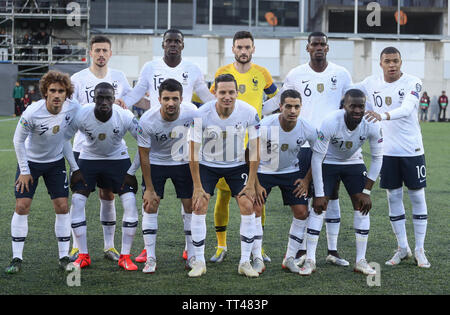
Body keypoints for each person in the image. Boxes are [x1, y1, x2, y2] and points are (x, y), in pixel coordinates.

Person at [119, 28, 215, 263]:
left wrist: (222, 107)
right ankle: (147, 249)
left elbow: (203, 94)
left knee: (188, 199)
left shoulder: (192, 69)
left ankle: (188, 247)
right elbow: (139, 91)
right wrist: (123, 103)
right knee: (151, 196)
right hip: (157, 129)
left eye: (177, 41)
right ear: (163, 44)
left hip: (184, 136)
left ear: (182, 45)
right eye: (169, 41)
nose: (173, 44)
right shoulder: (150, 67)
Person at [263, 31, 353, 267]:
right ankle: (301, 250)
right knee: (303, 197)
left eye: (323, 44)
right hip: (303, 144)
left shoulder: (341, 74)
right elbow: (280, 101)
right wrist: (256, 110)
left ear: (328, 47)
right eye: (315, 44)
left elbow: (351, 104)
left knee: (331, 197)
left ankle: (332, 251)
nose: (319, 47)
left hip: (331, 147)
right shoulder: (296, 74)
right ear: (308, 48)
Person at [208, 30, 279, 264]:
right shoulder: (222, 73)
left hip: (255, 145)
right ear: (233, 49)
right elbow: (212, 102)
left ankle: (259, 246)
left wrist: (261, 115)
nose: (243, 51)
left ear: (253, 49)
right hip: (226, 145)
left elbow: (275, 99)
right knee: (224, 195)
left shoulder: (263, 74)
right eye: (239, 47)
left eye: (247, 47)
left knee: (258, 194)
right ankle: (221, 245)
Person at [299, 89, 383, 276]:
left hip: (353, 162)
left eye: (361, 106)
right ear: (344, 106)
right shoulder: (330, 121)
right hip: (328, 161)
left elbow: (378, 158)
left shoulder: (372, 124)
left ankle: (360, 260)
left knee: (362, 205)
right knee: (319, 207)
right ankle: (311, 259)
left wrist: (367, 192)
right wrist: (319, 194)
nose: (357, 110)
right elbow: (317, 157)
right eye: (352, 105)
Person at [360, 46, 431, 268]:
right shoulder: (370, 83)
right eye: (388, 61)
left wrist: (382, 115)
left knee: (417, 197)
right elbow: (348, 92)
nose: (392, 65)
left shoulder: (413, 81)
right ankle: (403, 248)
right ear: (380, 63)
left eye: (396, 61)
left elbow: (408, 109)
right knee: (393, 198)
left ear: (402, 62)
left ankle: (420, 249)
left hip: (412, 150)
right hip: (387, 152)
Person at [5, 70, 81, 274]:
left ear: (67, 94)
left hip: (55, 163)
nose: (57, 95)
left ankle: (64, 257)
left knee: (62, 206)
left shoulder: (73, 109)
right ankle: (16, 258)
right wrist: (24, 170)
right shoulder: (32, 112)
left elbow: (65, 138)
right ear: (45, 93)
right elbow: (18, 141)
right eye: (53, 91)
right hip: (30, 163)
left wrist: (75, 168)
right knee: (22, 206)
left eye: (61, 91)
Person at [188, 74, 261, 278]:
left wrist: (252, 183)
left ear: (237, 93)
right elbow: (192, 151)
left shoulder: (249, 112)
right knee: (199, 203)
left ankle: (245, 262)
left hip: (237, 165)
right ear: (214, 93)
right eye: (222, 92)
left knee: (247, 204)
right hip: (207, 164)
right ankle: (199, 262)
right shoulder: (201, 113)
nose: (227, 96)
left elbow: (255, 148)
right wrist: (196, 186)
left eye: (231, 92)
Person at [69, 35, 132, 263]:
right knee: (79, 195)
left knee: (108, 195)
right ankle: (77, 248)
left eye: (105, 50)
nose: (101, 54)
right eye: (97, 51)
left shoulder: (120, 77)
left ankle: (109, 246)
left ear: (111, 53)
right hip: (82, 146)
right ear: (90, 53)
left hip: (110, 148)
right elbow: (72, 109)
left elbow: (126, 104)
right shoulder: (77, 79)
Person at [65, 82, 140, 271]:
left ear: (114, 100)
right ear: (93, 98)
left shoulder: (124, 115)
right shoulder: (82, 113)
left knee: (129, 201)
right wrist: (75, 169)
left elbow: (144, 141)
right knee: (78, 201)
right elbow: (64, 138)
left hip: (117, 158)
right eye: (100, 97)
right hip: (89, 158)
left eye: (108, 98)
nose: (104, 101)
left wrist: (131, 172)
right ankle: (83, 255)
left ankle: (125, 256)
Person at [133, 79, 198, 273]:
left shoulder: (192, 112)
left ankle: (192, 255)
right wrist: (149, 189)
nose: (171, 103)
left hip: (182, 161)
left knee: (190, 206)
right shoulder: (146, 120)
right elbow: (143, 155)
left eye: (175, 98)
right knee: (150, 205)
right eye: (166, 98)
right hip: (156, 163)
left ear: (181, 99)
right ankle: (150, 257)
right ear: (159, 99)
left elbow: (197, 144)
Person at [255, 89, 316, 274]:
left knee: (302, 212)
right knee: (255, 209)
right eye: (288, 106)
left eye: (296, 106)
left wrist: (306, 180)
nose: (292, 110)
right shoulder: (265, 125)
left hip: (291, 171)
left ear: (301, 108)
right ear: (280, 107)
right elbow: (251, 153)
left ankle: (289, 258)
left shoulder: (307, 127)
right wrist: (254, 183)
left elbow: (319, 155)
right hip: (264, 171)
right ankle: (257, 257)